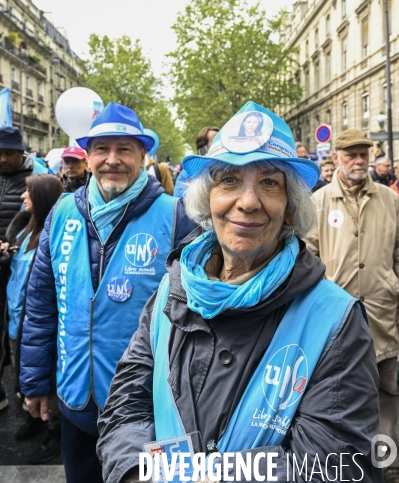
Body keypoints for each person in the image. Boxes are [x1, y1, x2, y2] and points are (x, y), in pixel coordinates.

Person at [97, 102, 381, 483]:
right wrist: (136, 473)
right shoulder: (171, 289)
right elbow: (126, 407)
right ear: (207, 199)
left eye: (269, 183)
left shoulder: (335, 319)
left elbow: (336, 465)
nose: (247, 202)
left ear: (291, 209)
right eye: (229, 180)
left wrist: (194, 476)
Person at [19, 103, 195, 483]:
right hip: (76, 400)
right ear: (88, 156)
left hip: (145, 408)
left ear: (143, 155)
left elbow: (196, 319)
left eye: (124, 149)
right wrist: (36, 383)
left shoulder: (176, 216)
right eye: (102, 149)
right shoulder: (62, 212)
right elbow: (41, 305)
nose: (112, 160)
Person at [305, 129, 399, 483]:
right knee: (339, 393)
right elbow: (307, 257)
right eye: (351, 155)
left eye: (363, 154)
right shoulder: (320, 202)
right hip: (337, 320)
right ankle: (345, 463)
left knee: (388, 390)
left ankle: (387, 462)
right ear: (337, 159)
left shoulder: (390, 201)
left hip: (383, 314)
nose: (358, 161)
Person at [2, 174, 63, 463]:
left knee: (47, 380)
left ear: (41, 198)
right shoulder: (24, 230)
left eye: (28, 192)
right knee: (23, 374)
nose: (23, 197)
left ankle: (54, 431)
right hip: (15, 322)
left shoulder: (51, 237)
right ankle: (33, 420)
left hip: (34, 323)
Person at [0, 126, 47, 411]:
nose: (3, 159)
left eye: (9, 153)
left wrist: (9, 247)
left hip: (16, 266)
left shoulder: (35, 179)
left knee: (21, 330)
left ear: (21, 153)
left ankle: (26, 391)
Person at [174, 126, 220, 199]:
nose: (220, 143)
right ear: (203, 149)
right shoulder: (187, 174)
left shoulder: (233, 169)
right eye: (215, 139)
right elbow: (179, 204)